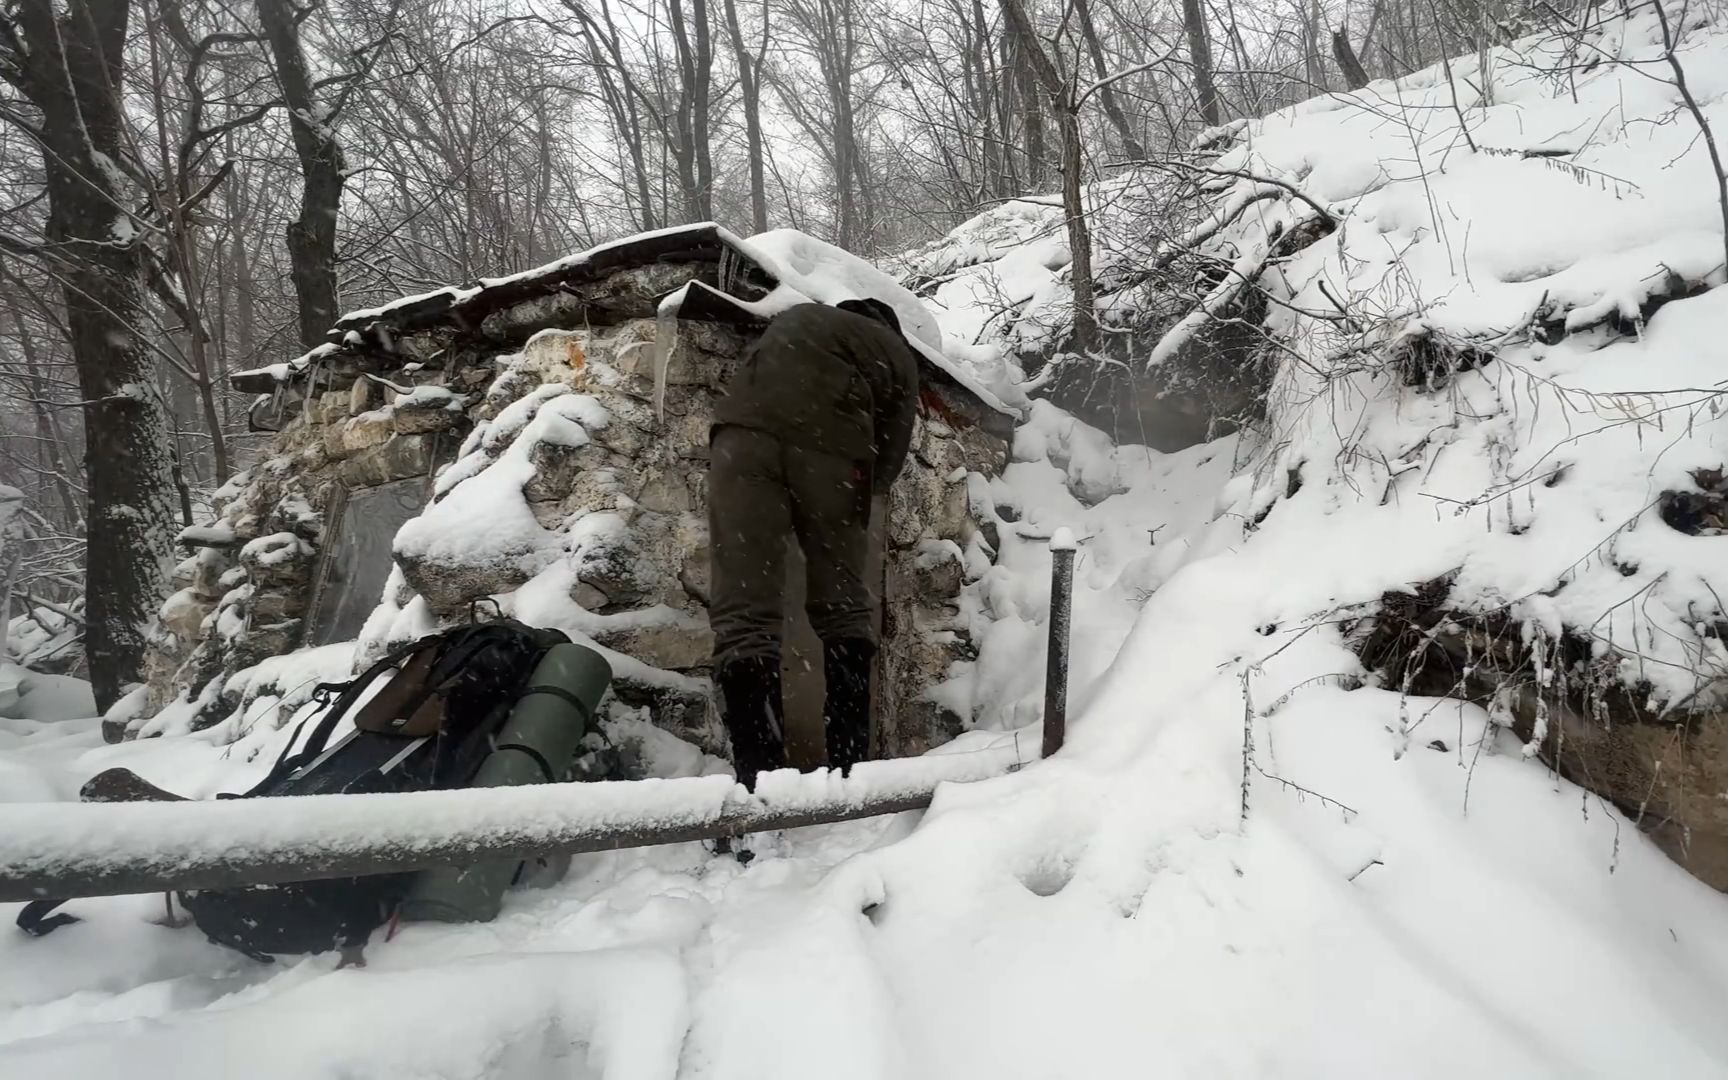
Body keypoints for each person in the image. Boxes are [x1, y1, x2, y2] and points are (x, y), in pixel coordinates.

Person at [708, 298, 920, 790]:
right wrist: (852, 502)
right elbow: (888, 459)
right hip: (833, 446)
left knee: (744, 610)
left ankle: (758, 778)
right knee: (843, 602)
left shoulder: (798, 320)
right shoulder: (894, 350)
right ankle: (848, 770)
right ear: (884, 325)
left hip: (740, 438)